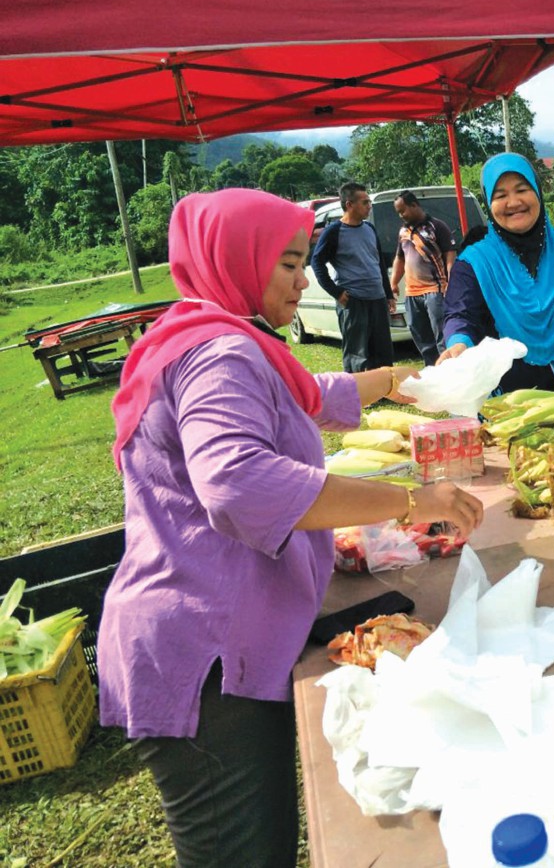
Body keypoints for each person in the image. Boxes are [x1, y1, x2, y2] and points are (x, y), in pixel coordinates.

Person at [99, 189, 484, 867]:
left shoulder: (211, 333)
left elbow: (303, 396)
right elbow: (240, 485)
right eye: (289, 264)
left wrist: (394, 378)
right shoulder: (220, 354)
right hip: (207, 656)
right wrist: (411, 499)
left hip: (206, 626)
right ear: (237, 259)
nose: (305, 280)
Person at [439, 152, 554, 394]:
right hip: (512, 414)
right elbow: (460, 315)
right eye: (500, 195)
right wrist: (459, 344)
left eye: (522, 189)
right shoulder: (474, 263)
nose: (513, 202)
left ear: (537, 192)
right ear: (489, 204)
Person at [311, 181, 394, 372]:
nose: (369, 206)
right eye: (364, 202)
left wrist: (388, 294)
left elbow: (378, 263)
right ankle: (359, 393)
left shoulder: (370, 228)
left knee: (382, 349)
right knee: (357, 352)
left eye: (369, 202)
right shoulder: (333, 232)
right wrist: (336, 292)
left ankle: (385, 389)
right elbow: (317, 262)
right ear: (349, 205)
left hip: (377, 298)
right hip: (354, 301)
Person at [390, 190, 457, 367]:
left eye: (402, 210)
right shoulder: (403, 231)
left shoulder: (437, 226)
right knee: (420, 335)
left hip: (435, 291)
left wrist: (451, 280)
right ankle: (431, 368)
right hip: (412, 293)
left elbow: (450, 254)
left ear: (414, 205)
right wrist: (394, 283)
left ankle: (449, 371)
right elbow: (400, 258)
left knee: (441, 335)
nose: (400, 215)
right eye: (398, 212)